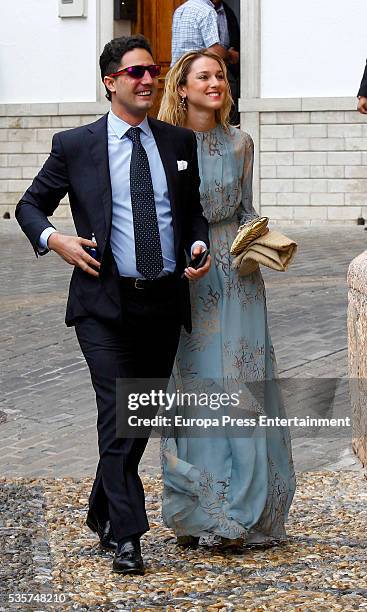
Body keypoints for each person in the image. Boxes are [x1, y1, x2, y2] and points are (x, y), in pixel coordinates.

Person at [15, 35, 210, 575]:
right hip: (103, 301)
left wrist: (198, 246)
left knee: (138, 414)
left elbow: (190, 215)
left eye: (153, 71)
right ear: (110, 81)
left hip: (164, 302)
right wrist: (59, 241)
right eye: (136, 73)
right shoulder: (75, 144)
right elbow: (28, 206)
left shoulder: (176, 141)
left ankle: (102, 506)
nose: (147, 80)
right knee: (118, 413)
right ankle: (128, 534)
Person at [158, 50, 296, 549]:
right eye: (204, 77)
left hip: (239, 278)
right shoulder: (164, 142)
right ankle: (197, 510)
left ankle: (244, 511)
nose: (215, 83)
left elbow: (245, 208)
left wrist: (259, 240)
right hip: (190, 276)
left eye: (219, 75)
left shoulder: (241, 143)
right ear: (183, 88)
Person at [171, 0, 239, 68]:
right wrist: (230, 55)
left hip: (177, 70)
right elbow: (214, 50)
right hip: (196, 70)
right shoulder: (208, 10)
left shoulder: (180, 9)